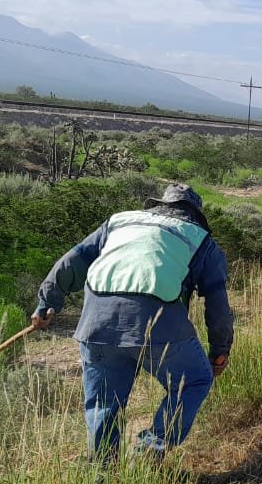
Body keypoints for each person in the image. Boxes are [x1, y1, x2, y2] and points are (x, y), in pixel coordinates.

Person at [31, 184, 233, 467]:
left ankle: (103, 479)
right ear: (195, 215)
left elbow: (71, 261)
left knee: (104, 405)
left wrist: (47, 304)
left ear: (157, 206)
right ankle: (149, 450)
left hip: (96, 325)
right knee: (196, 380)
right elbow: (218, 305)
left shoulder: (118, 222)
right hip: (160, 328)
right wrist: (220, 349)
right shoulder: (200, 240)